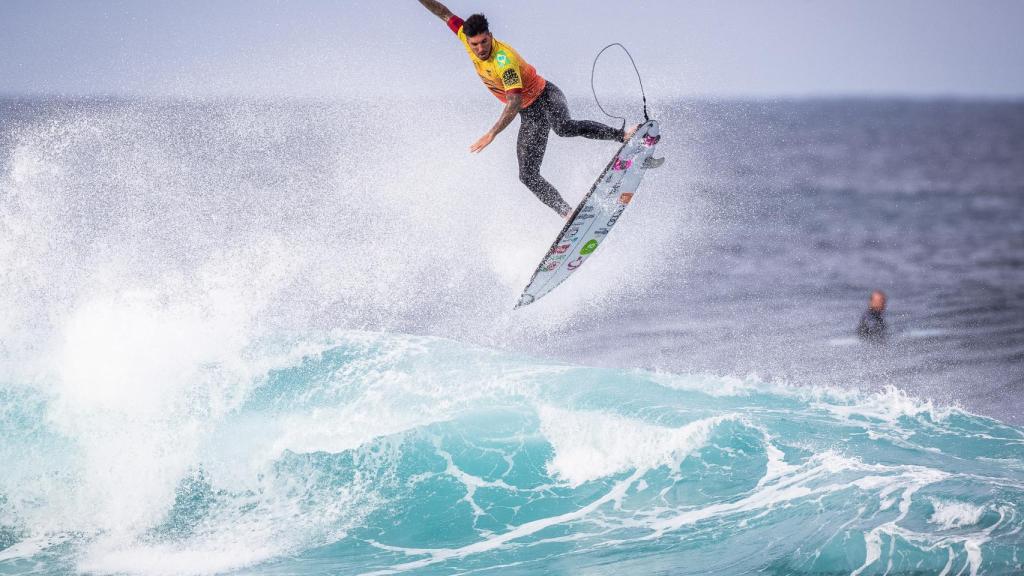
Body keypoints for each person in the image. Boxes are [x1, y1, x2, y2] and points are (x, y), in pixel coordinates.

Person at [416, 0, 638, 218]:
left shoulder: (503, 60)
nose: (481, 49)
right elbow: (443, 12)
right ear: (468, 40)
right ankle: (568, 214)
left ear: (490, 36)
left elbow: (513, 102)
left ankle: (624, 135)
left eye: (484, 42)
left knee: (563, 127)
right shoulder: (465, 35)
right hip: (530, 114)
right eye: (475, 44)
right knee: (527, 175)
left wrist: (492, 133)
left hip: (546, 96)